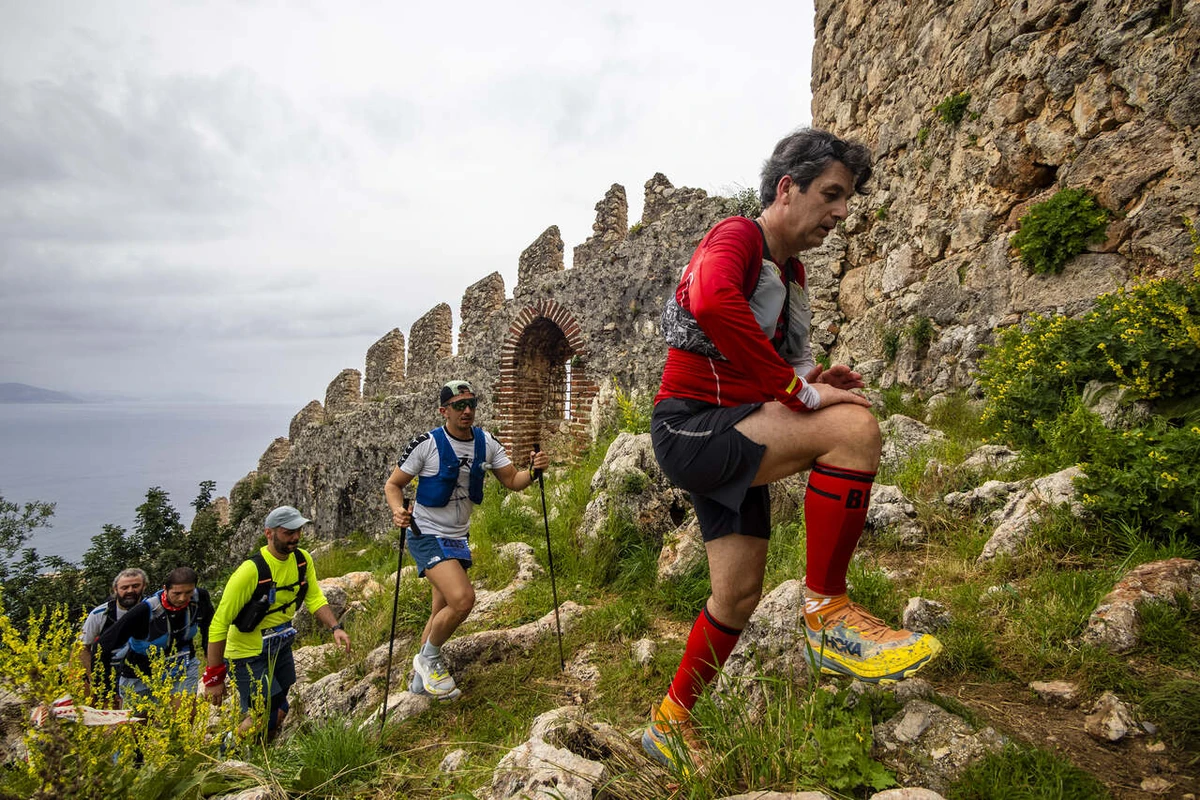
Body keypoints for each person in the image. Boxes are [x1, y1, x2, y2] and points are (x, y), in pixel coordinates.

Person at [643, 127, 942, 769]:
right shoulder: (738, 235)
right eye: (831, 194)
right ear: (787, 188)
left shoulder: (792, 273)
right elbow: (713, 300)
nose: (841, 212)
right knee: (853, 428)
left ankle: (668, 723)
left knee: (737, 595)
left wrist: (811, 380)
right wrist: (797, 396)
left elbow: (776, 362)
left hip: (734, 427)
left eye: (846, 200)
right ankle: (828, 611)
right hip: (692, 428)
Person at [384, 379, 550, 701]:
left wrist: (534, 470)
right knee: (463, 600)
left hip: (458, 537)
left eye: (472, 403)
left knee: (440, 609)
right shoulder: (426, 444)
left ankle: (419, 686)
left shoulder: (485, 443)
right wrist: (396, 512)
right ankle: (429, 659)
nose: (468, 410)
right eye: (459, 406)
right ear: (444, 411)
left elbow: (513, 480)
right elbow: (394, 485)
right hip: (426, 533)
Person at [202, 505, 351, 740]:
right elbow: (219, 623)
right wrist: (214, 676)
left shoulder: (302, 561)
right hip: (246, 652)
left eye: (298, 531)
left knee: (281, 708)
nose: (295, 537)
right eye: (288, 532)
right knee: (262, 712)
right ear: (269, 533)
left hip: (279, 644)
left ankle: (264, 754)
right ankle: (224, 751)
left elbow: (314, 598)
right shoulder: (250, 571)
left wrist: (335, 628)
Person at [103, 566, 213, 709]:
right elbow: (103, 646)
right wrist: (105, 690)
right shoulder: (144, 610)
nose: (183, 598)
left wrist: (211, 660)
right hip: (140, 671)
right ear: (165, 589)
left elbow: (209, 627)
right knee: (140, 723)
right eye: (177, 593)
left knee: (184, 715)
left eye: (188, 592)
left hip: (182, 663)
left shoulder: (199, 599)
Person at [77, 567, 147, 706]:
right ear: (115, 589)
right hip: (107, 670)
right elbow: (82, 647)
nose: (130, 591)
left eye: (136, 586)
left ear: (144, 587)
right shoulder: (100, 614)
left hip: (140, 671)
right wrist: (96, 681)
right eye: (124, 587)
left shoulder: (152, 610)